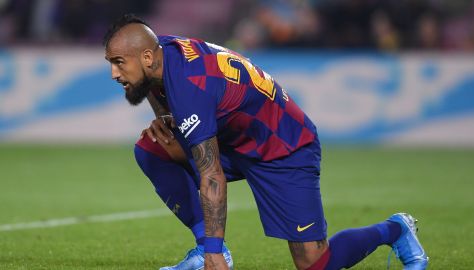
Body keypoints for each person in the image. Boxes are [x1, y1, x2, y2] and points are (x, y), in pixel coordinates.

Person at [103, 14, 429, 270]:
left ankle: (395, 229)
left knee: (315, 264)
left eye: (119, 62)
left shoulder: (190, 85)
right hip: (236, 140)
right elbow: (154, 86)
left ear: (147, 57)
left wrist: (216, 255)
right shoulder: (164, 51)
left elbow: (212, 174)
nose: (115, 74)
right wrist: (164, 118)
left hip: (284, 149)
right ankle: (203, 248)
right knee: (152, 149)